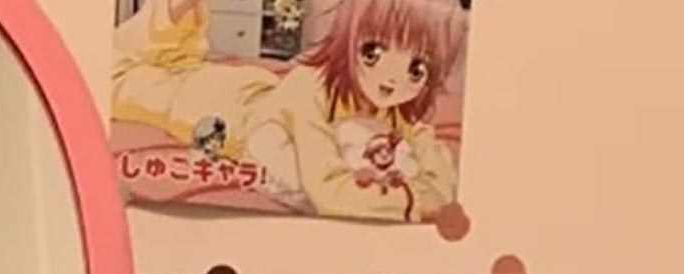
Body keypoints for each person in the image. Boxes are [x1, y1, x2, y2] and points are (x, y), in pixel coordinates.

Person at [113, 0, 464, 221]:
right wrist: (413, 203)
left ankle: (172, 25)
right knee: (123, 76)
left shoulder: (393, 103)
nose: (391, 80)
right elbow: (330, 193)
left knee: (171, 62)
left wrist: (432, 198)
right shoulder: (310, 90)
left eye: (416, 69)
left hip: (257, 90)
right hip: (217, 106)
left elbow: (439, 172)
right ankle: (170, 19)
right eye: (372, 54)